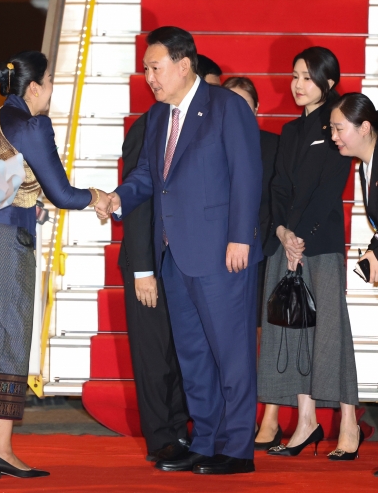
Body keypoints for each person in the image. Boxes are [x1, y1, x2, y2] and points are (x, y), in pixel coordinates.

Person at [0, 50, 110, 479]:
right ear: (33, 88)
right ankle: (2, 452)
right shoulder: (32, 124)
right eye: (49, 82)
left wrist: (34, 208)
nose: (52, 90)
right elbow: (63, 191)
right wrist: (99, 197)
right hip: (3, 247)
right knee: (7, 339)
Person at [100, 26, 263, 475]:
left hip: (222, 253)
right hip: (174, 255)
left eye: (155, 67)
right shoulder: (158, 117)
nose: (149, 77)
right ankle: (206, 440)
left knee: (230, 353)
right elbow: (149, 177)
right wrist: (117, 200)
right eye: (146, 69)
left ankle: (236, 449)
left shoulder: (227, 108)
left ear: (183, 64)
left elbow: (247, 175)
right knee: (193, 355)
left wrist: (240, 238)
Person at [258, 47, 361, 461]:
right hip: (287, 245)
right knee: (292, 331)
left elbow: (329, 189)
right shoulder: (290, 131)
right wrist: (283, 233)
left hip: (320, 243)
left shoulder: (337, 125)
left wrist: (301, 237)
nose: (298, 85)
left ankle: (349, 425)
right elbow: (279, 188)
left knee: (331, 331)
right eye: (295, 76)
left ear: (329, 83)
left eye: (307, 77)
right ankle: (306, 421)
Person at [118, 113, 191, 464]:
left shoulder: (198, 123)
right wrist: (142, 269)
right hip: (148, 263)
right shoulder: (148, 126)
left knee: (180, 353)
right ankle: (160, 437)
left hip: (185, 261)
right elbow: (136, 201)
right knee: (153, 356)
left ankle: (179, 429)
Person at [329, 92, 378, 472]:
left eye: (339, 128)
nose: (335, 135)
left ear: (364, 127)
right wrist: (374, 254)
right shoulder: (364, 166)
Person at [222, 76, 282, 451]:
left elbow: (279, 198)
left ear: (256, 109)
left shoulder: (272, 145)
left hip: (263, 252)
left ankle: (270, 418)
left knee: (264, 337)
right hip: (219, 257)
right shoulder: (212, 142)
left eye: (245, 104)